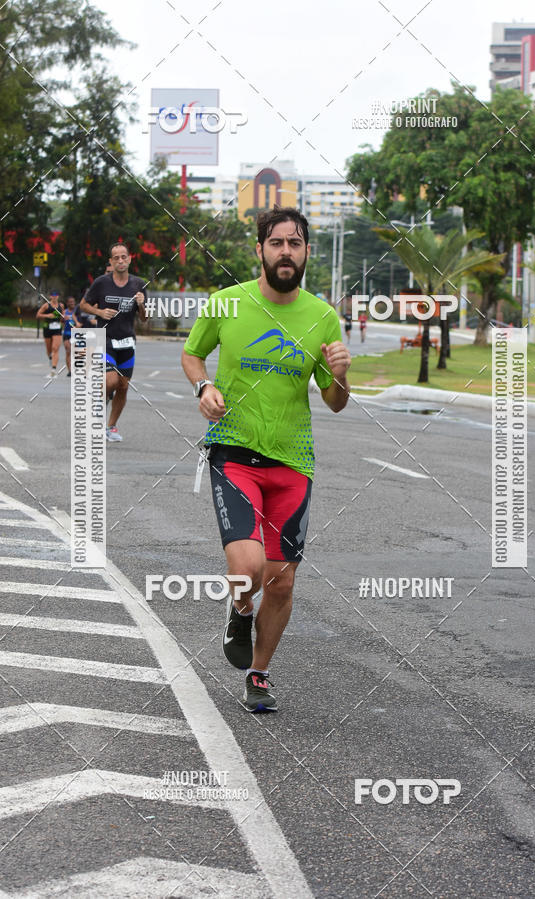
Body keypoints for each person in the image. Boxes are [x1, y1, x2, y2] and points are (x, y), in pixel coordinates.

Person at [181, 206, 351, 713]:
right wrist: (203, 385)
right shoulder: (227, 304)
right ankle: (238, 607)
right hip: (234, 450)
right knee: (250, 567)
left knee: (283, 579)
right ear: (260, 249)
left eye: (294, 244)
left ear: (305, 253)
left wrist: (341, 374)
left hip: (293, 464)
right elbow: (192, 354)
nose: (285, 252)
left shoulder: (321, 316)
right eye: (276, 243)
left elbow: (334, 400)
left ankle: (259, 673)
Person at [80, 242, 147, 441]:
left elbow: (144, 318)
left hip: (127, 342)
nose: (120, 260)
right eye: (116, 257)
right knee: (111, 380)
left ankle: (110, 427)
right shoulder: (101, 282)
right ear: (110, 261)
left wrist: (141, 305)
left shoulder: (138, 284)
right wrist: (99, 312)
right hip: (105, 339)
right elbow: (84, 305)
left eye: (123, 256)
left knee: (123, 387)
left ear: (130, 258)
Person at [36, 289, 64, 376]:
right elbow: (38, 315)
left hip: (57, 329)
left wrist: (64, 320)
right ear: (50, 296)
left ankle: (53, 369)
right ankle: (51, 358)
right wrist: (47, 315)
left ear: (58, 296)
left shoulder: (61, 305)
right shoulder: (46, 306)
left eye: (56, 295)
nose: (54, 296)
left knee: (55, 348)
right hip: (47, 328)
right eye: (53, 295)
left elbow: (62, 316)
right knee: (49, 350)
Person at [62, 296, 80, 377]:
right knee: (68, 351)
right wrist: (63, 319)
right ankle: (70, 371)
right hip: (67, 334)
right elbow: (60, 320)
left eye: (73, 301)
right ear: (67, 303)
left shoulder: (77, 312)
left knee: (76, 353)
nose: (72, 303)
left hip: (76, 334)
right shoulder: (64, 312)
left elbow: (81, 322)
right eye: (70, 302)